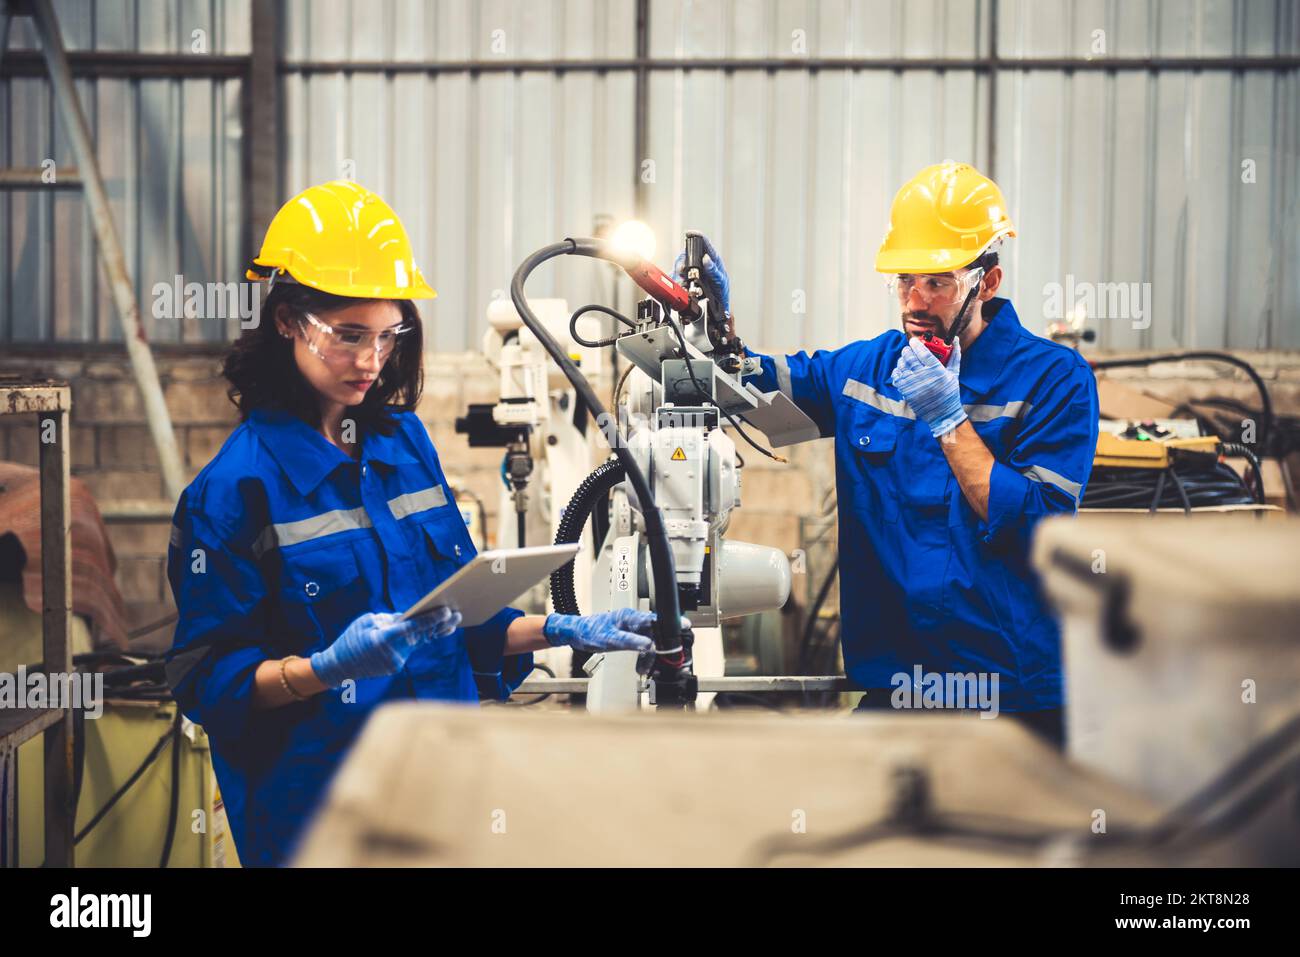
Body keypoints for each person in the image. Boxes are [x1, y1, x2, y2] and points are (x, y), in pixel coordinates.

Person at [164, 180, 666, 865]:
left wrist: (558, 627)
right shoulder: (233, 492)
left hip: (444, 801)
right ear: (286, 319)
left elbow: (453, 622)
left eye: (388, 334)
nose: (372, 360)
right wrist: (322, 668)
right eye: (348, 335)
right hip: (323, 825)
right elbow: (207, 683)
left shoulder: (403, 443)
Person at [683, 162, 1099, 747]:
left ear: (989, 281)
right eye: (904, 280)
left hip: (1013, 696)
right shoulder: (867, 370)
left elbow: (1038, 528)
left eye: (938, 282)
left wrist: (950, 421)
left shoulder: (1055, 381)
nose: (916, 300)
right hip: (899, 688)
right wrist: (711, 334)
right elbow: (755, 387)